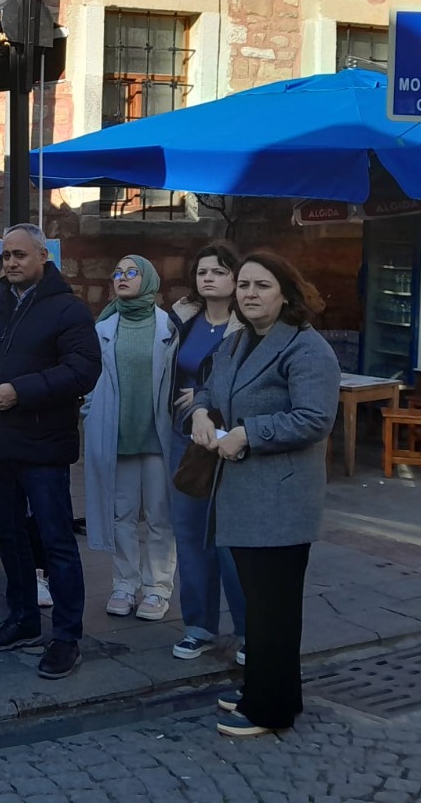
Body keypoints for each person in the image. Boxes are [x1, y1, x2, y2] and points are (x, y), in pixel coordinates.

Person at [190, 251, 338, 738]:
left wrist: (249, 433)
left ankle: (269, 710)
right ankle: (271, 691)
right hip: (242, 495)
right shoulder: (238, 341)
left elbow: (314, 418)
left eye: (262, 285)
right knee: (260, 607)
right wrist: (201, 413)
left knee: (274, 610)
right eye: (245, 285)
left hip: (281, 499)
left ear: (286, 294)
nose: (250, 294)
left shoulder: (307, 348)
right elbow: (210, 389)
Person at [0, 223, 101, 680]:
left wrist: (21, 391)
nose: (11, 263)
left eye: (20, 255)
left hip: (42, 445)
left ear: (44, 256)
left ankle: (66, 636)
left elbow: (83, 371)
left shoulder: (68, 310)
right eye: (6, 256)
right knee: (8, 536)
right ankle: (22, 618)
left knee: (55, 541)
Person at [83, 255, 180, 624]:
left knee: (159, 516)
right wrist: (90, 411)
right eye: (118, 273)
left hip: (156, 435)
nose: (122, 278)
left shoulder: (169, 326)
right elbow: (93, 377)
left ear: (149, 279)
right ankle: (124, 584)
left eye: (131, 272)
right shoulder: (105, 326)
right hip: (118, 433)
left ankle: (157, 588)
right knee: (121, 514)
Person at [167, 242, 247, 662]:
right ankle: (198, 627)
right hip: (185, 439)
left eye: (218, 271)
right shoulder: (183, 318)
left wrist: (201, 397)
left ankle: (249, 630)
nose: (209, 278)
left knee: (231, 538)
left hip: (231, 439)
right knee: (190, 534)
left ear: (235, 277)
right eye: (202, 272)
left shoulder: (248, 325)